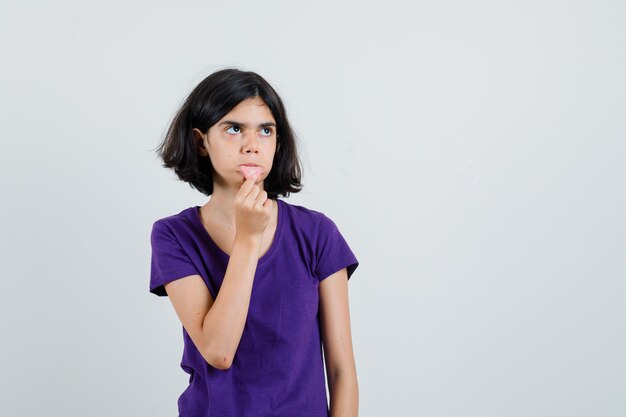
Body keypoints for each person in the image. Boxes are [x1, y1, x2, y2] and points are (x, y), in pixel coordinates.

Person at [149, 68, 360, 417]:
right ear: (201, 141)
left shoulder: (317, 233)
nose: (252, 145)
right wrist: (248, 239)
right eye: (234, 129)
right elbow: (218, 351)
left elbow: (342, 373)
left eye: (266, 130)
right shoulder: (174, 236)